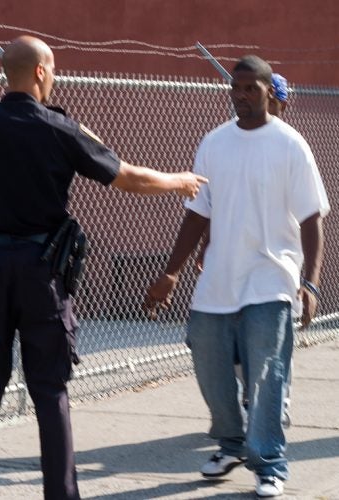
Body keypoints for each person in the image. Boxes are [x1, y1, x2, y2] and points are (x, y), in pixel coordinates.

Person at [0, 35, 207, 500]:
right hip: (42, 274)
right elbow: (126, 177)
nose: (54, 78)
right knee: (50, 394)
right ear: (41, 71)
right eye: (53, 70)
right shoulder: (60, 129)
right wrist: (178, 181)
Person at [144, 56, 329, 498]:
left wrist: (310, 282)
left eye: (251, 88)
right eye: (236, 88)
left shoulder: (290, 145)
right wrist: (171, 272)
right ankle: (230, 444)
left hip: (271, 280)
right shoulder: (214, 142)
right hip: (218, 285)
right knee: (211, 370)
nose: (242, 96)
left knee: (266, 375)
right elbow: (197, 213)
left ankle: (269, 465)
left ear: (270, 92)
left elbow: (311, 219)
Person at [196, 72, 293, 428]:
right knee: (230, 344)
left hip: (273, 267)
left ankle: (274, 405)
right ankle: (247, 404)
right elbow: (215, 204)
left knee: (272, 348)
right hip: (231, 268)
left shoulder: (287, 145)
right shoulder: (223, 142)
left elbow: (303, 215)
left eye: (276, 101)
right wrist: (207, 244)